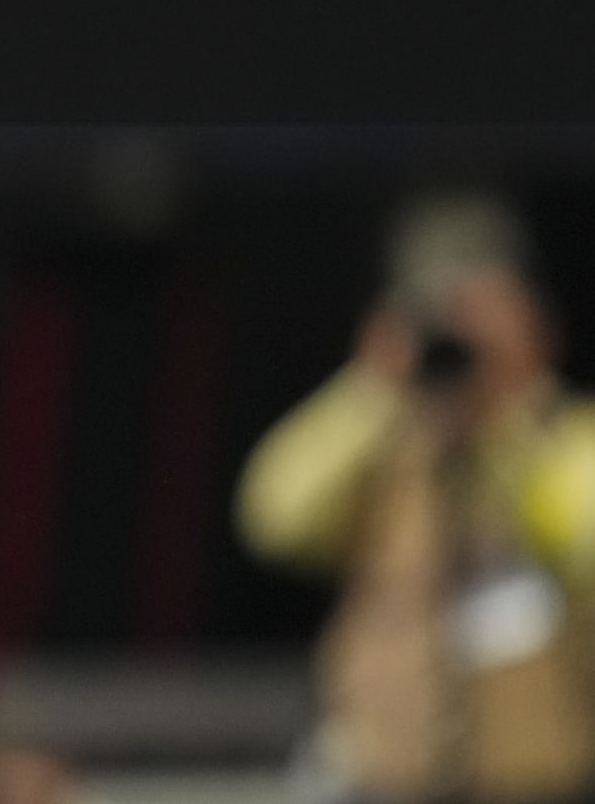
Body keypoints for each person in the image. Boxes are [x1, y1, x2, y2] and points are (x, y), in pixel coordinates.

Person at [236, 192, 595, 804]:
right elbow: (274, 515)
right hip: (389, 777)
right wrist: (373, 389)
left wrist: (509, 412)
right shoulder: (384, 455)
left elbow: (581, 537)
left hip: (544, 782)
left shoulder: (566, 437)